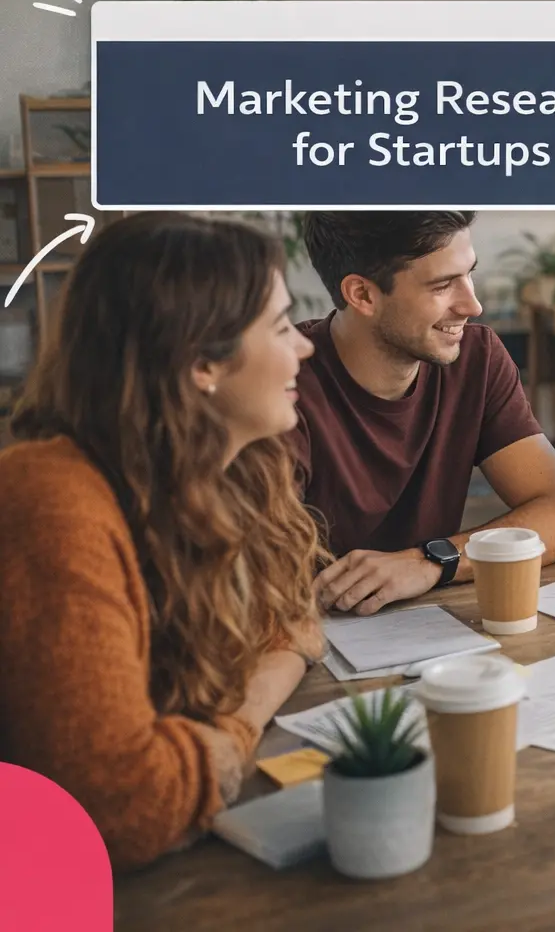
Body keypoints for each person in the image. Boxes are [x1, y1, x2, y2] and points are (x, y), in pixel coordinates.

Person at [0, 213, 327, 870]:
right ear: (201, 361)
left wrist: (228, 727)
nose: (304, 349)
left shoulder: (234, 468)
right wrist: (241, 727)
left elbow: (295, 627)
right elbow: (118, 807)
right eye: (281, 326)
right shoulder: (49, 502)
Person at [292, 211, 555, 616]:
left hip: (426, 628)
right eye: (443, 285)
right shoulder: (280, 384)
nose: (473, 305)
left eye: (469, 274)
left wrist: (432, 561)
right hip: (303, 635)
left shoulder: (477, 358)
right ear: (362, 295)